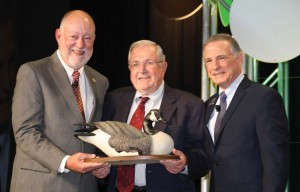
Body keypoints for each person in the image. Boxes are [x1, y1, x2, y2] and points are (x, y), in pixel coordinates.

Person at [10, 10, 110, 192]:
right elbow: (25, 132)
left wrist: (102, 162)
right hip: (41, 185)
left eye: (87, 38)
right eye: (74, 36)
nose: (81, 44)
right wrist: (65, 161)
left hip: (85, 186)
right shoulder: (33, 72)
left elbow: (96, 135)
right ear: (58, 36)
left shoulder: (100, 81)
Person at [92, 40, 209, 192]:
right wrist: (101, 170)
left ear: (163, 67)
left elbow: (203, 155)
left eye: (149, 63)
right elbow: (103, 145)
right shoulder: (113, 100)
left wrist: (185, 163)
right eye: (135, 64)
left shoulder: (189, 105)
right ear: (129, 69)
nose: (142, 70)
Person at [202, 33, 289, 192]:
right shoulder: (208, 105)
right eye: (208, 60)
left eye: (221, 58)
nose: (215, 66)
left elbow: (276, 161)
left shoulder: (264, 97)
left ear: (239, 58)